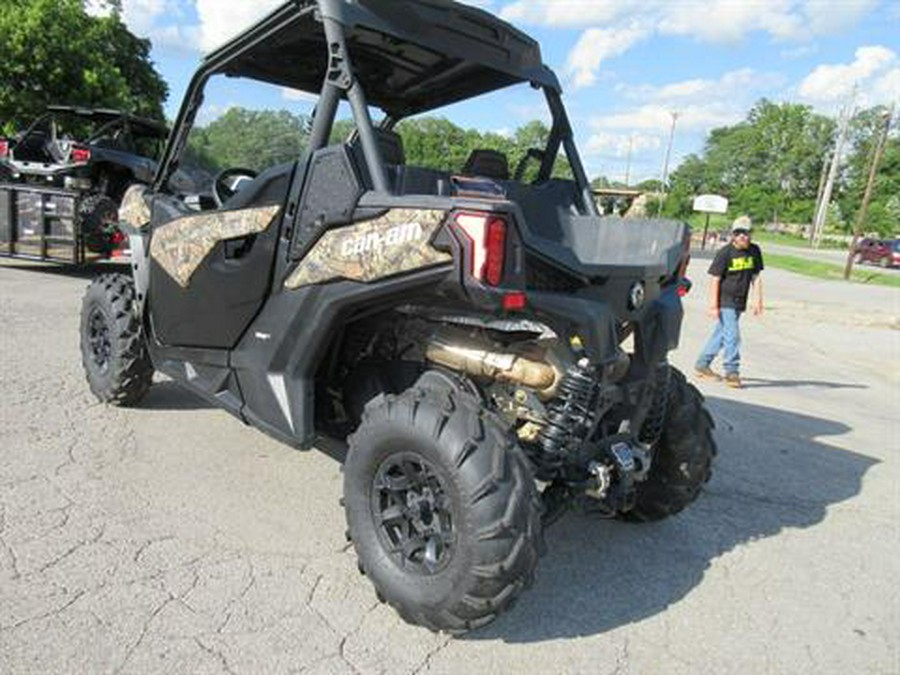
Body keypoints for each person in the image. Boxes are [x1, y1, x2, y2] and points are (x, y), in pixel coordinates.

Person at [694, 216, 764, 388]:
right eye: (739, 233)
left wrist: (758, 300)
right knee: (732, 336)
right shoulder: (725, 253)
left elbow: (756, 277)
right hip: (725, 300)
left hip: (741, 300)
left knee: (720, 335)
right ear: (733, 235)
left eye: (746, 233)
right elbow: (715, 279)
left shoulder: (754, 251)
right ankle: (732, 371)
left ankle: (702, 365)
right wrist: (713, 305)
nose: (743, 236)